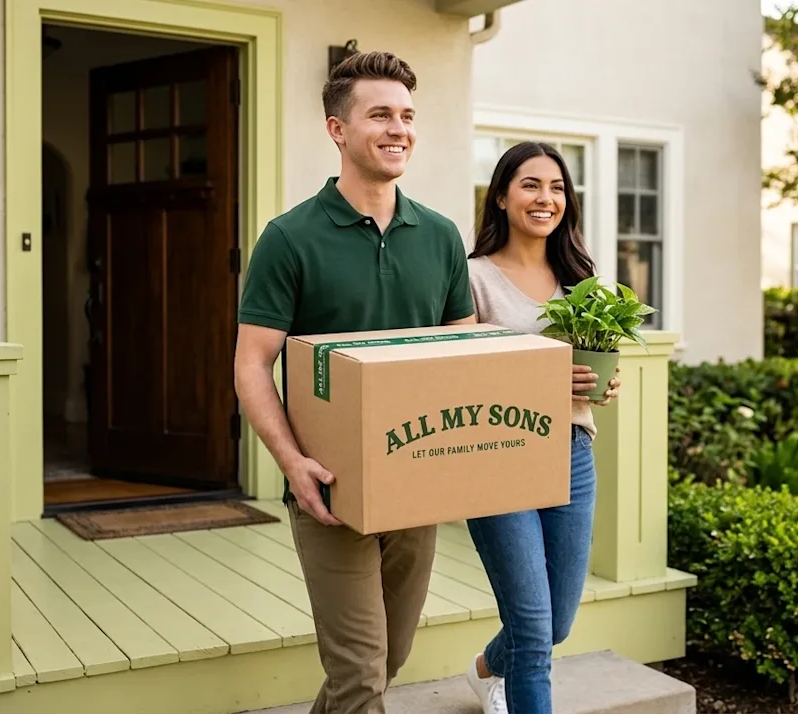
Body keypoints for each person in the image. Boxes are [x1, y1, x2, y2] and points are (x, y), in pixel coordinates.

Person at [233, 50, 477, 714]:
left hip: (416, 479)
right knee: (362, 674)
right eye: (380, 115)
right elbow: (252, 364)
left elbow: (464, 358)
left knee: (386, 658)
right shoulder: (289, 238)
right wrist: (293, 464)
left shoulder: (441, 237)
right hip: (330, 489)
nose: (399, 130)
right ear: (337, 130)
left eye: (407, 116)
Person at [462, 141, 621, 714]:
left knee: (556, 623)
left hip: (571, 452)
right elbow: (457, 376)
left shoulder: (582, 280)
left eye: (556, 188)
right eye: (530, 185)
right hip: (497, 457)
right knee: (533, 635)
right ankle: (510, 681)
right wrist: (544, 380)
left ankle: (486, 668)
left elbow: (590, 366)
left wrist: (603, 384)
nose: (545, 198)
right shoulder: (473, 278)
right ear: (501, 197)